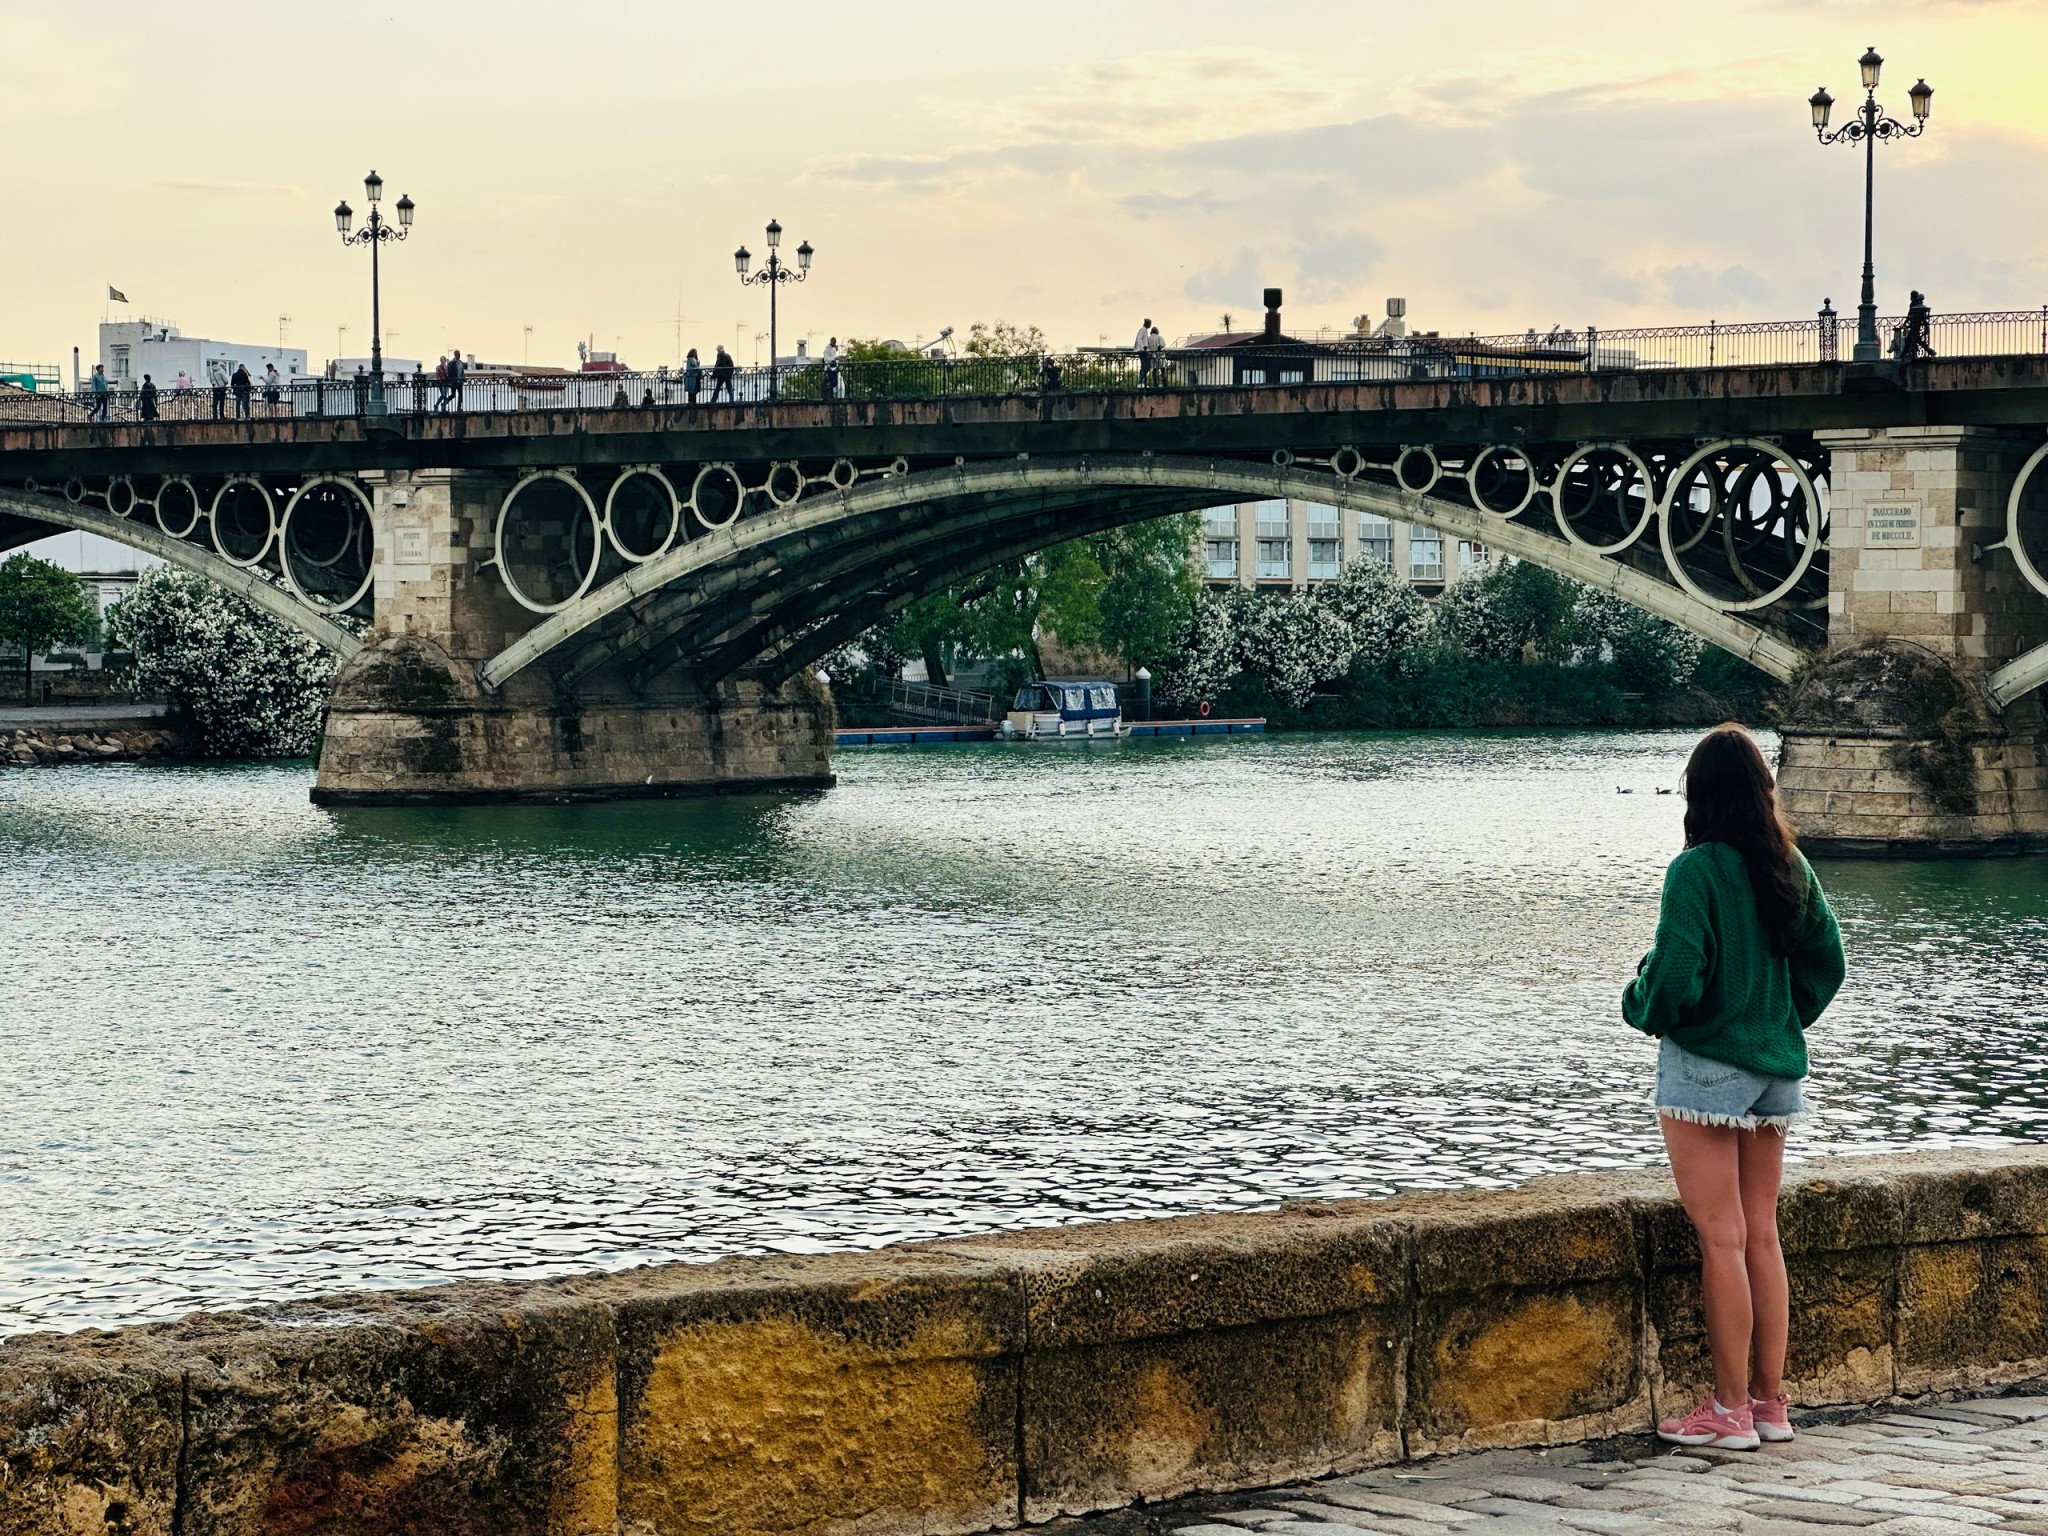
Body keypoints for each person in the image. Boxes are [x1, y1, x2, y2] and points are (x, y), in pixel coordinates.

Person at [1627, 725, 1845, 1452]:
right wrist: (1779, 1018)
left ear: (1699, 794)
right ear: (1763, 790)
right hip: (1776, 1070)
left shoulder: (1696, 871)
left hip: (1705, 1073)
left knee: (1720, 1239)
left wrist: (1639, 999)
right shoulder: (1788, 864)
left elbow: (1675, 981)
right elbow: (1828, 964)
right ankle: (1771, 1405)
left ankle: (1726, 1412)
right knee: (1761, 1235)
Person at [1891, 290, 1936, 362]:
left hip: (1914, 325)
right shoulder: (1917, 304)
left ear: (1912, 297)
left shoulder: (1913, 304)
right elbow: (1922, 317)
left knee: (1910, 340)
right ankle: (1929, 351)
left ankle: (1904, 355)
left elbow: (1910, 315)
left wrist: (1905, 323)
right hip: (1917, 325)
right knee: (1917, 340)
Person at [1134, 317, 1153, 383]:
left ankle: (1141, 381)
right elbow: (1139, 339)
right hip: (1142, 351)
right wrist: (1143, 347)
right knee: (1145, 367)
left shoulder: (1144, 331)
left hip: (1144, 351)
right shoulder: (1142, 330)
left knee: (1145, 367)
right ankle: (1140, 381)